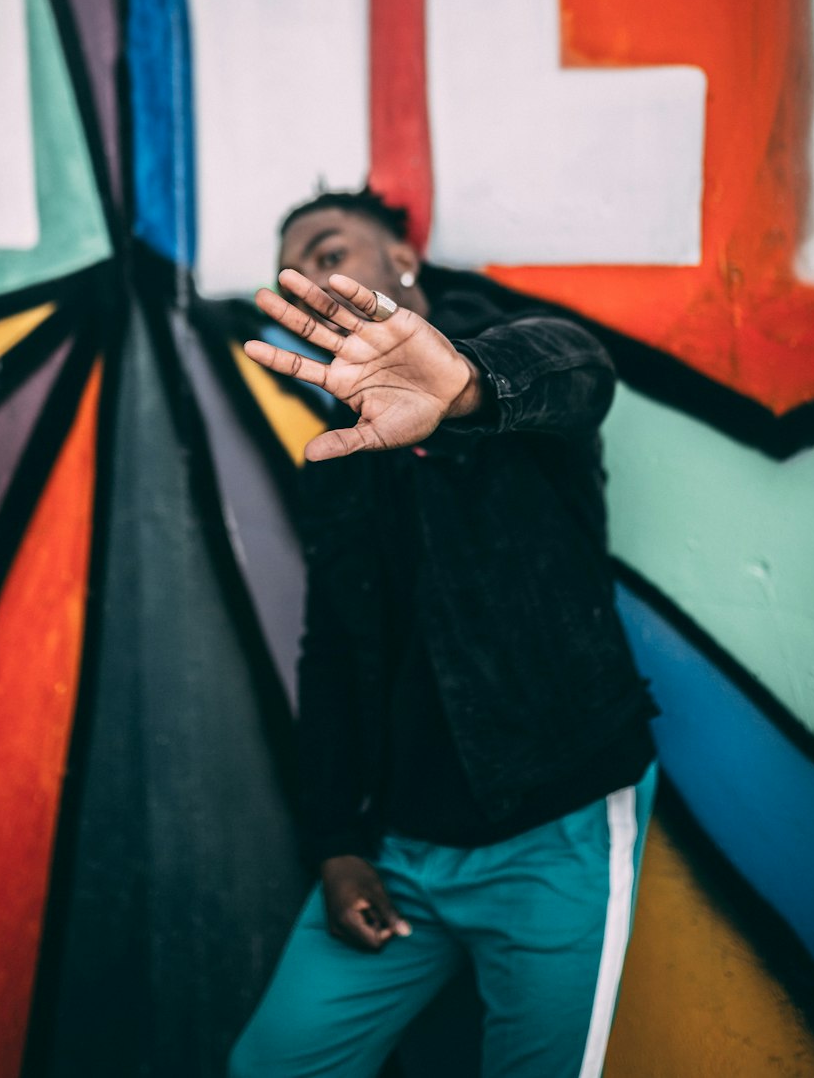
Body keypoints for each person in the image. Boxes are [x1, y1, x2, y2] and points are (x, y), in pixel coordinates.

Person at [229, 188, 658, 1078]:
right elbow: (333, 656)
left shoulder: (509, 364)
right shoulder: (339, 457)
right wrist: (336, 845)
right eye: (295, 265)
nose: (312, 274)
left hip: (554, 828)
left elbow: (580, 370)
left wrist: (464, 385)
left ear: (404, 262)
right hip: (399, 851)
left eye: (330, 248)